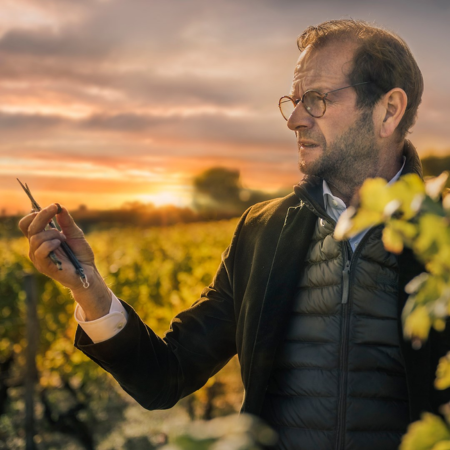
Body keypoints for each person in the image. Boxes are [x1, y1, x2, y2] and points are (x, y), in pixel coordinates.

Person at [19, 19, 450, 450]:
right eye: (294, 101)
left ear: (389, 110)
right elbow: (167, 376)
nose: (295, 120)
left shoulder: (443, 234)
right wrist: (88, 288)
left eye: (316, 99)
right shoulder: (262, 232)